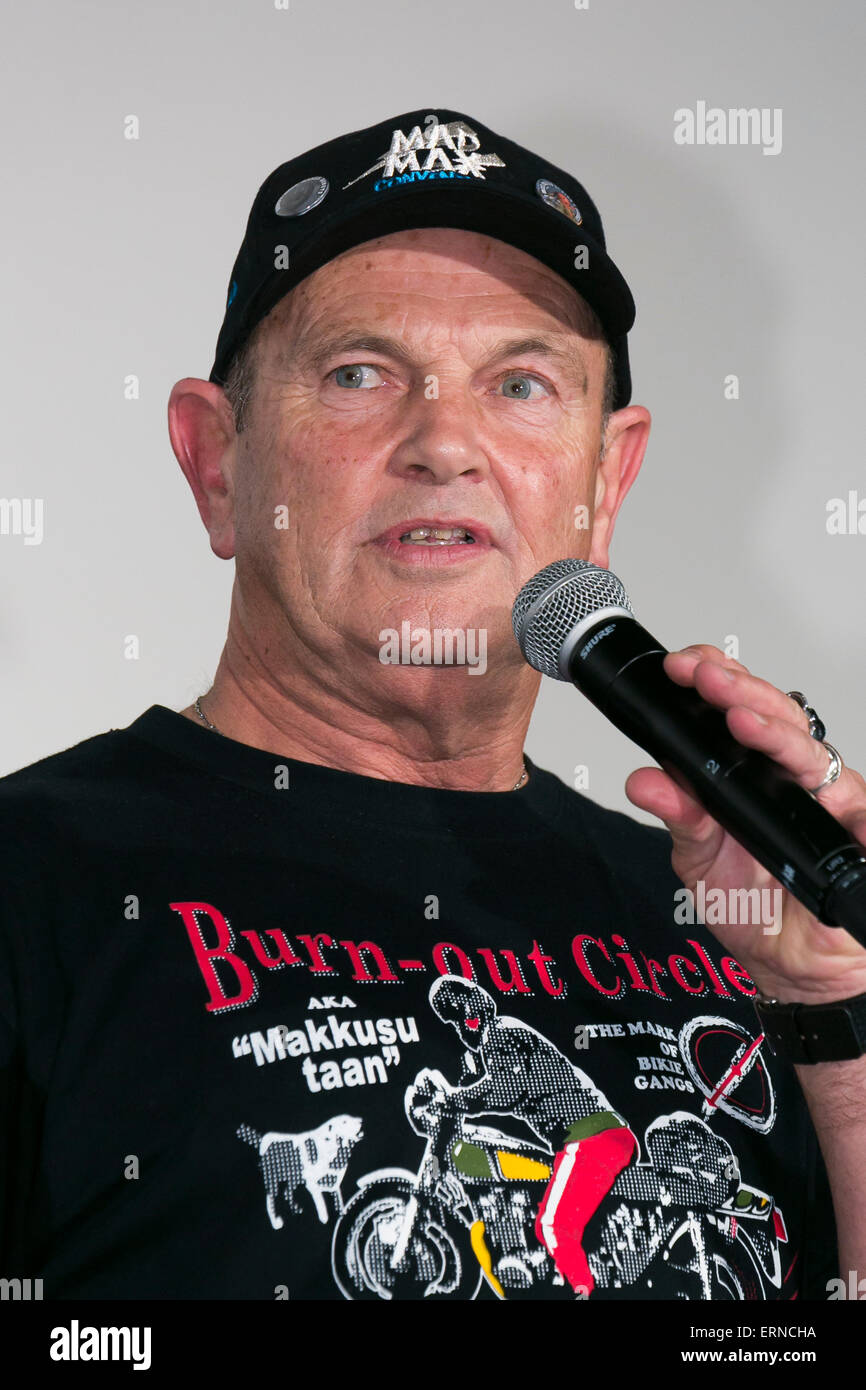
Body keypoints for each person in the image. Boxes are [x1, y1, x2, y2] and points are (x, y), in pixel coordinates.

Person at [2, 107, 865, 1302]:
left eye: (519, 384)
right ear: (217, 463)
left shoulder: (739, 918)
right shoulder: (33, 882)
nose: (444, 443)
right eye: (357, 374)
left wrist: (830, 1014)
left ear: (605, 478)